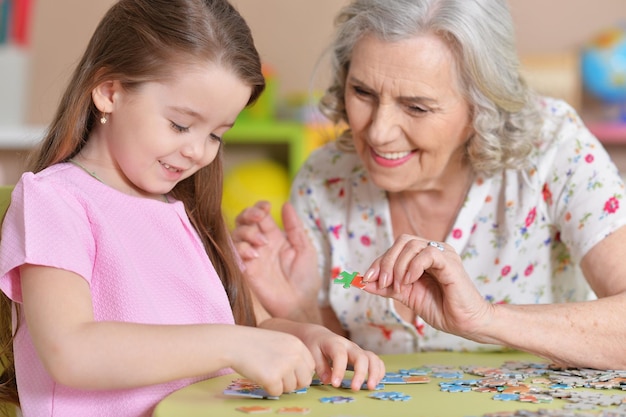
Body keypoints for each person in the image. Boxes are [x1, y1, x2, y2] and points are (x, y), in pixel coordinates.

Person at [0, 1, 385, 416]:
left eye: (217, 134)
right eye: (181, 125)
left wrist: (309, 338)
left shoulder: (186, 211)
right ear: (109, 92)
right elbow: (70, 350)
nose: (198, 151)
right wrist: (234, 343)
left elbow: (250, 326)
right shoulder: (55, 200)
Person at [232, 0, 626, 370]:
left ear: (482, 106)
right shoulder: (326, 177)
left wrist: (484, 319)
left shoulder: (554, 148)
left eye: (416, 106)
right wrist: (301, 310)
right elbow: (349, 370)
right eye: (363, 92)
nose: (379, 132)